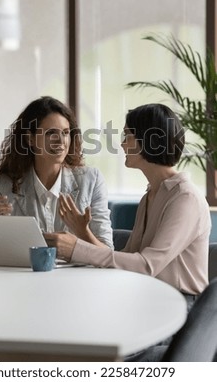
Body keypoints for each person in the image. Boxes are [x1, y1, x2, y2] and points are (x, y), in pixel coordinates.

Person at [45, 103, 211, 302]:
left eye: (127, 136)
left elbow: (146, 266)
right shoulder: (151, 195)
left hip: (180, 305)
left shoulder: (185, 198)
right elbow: (127, 261)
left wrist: (76, 249)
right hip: (147, 297)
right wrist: (84, 233)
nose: (122, 144)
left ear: (149, 140)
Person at [0, 96, 113, 252]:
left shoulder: (91, 180)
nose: (61, 141)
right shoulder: (7, 185)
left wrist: (82, 233)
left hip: (78, 281)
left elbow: (108, 253)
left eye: (65, 133)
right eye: (51, 133)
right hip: (23, 281)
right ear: (30, 139)